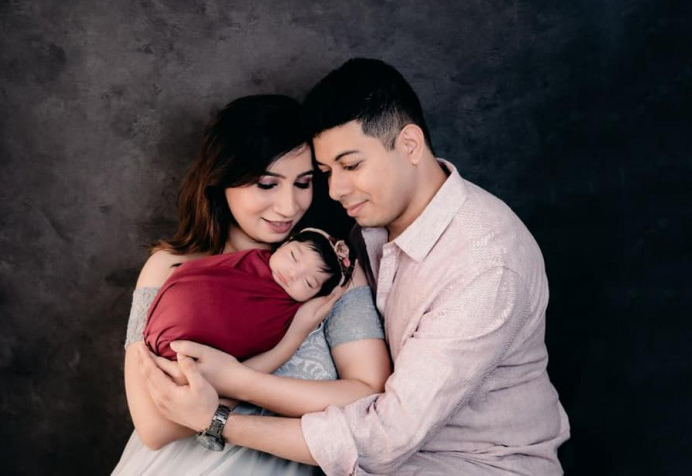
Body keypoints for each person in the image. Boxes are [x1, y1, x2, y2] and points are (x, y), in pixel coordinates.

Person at [138, 58, 571, 474]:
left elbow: (385, 434)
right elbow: (154, 424)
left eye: (351, 165)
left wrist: (223, 409)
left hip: (473, 465)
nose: (335, 190)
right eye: (326, 172)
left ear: (410, 145)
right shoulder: (358, 234)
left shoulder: (485, 264)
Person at [113, 94, 391, 475]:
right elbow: (154, 427)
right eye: (266, 184)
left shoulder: (328, 275)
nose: (289, 206)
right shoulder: (169, 267)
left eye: (303, 183)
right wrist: (274, 355)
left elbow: (369, 397)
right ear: (223, 178)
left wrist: (233, 382)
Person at [144, 228, 355, 361]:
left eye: (309, 282)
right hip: (165, 323)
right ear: (285, 244)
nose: (293, 274)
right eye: (293, 256)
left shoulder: (288, 314)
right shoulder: (249, 260)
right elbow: (198, 274)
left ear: (315, 296)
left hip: (195, 361)